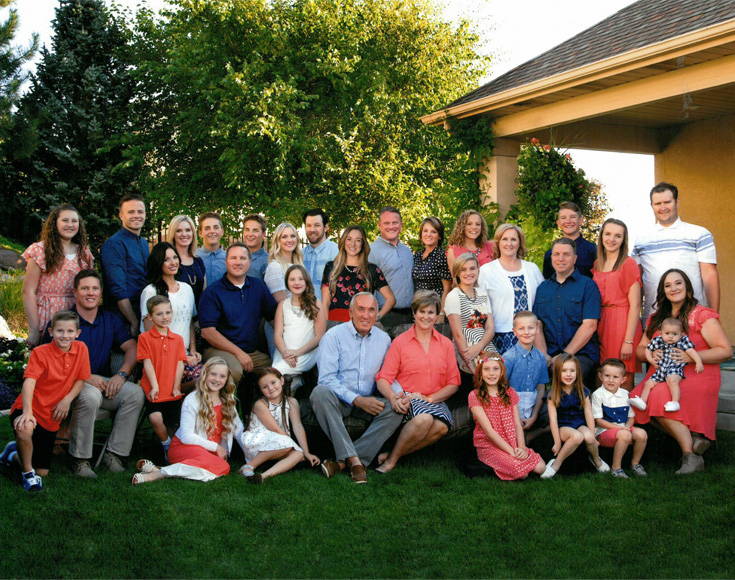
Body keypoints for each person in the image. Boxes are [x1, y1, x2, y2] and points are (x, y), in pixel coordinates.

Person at [630, 269, 730, 474]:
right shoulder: (657, 318)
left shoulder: (702, 315)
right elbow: (640, 349)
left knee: (657, 397)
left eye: (678, 283)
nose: (673, 288)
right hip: (663, 373)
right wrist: (650, 355)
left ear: (688, 288)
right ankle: (693, 441)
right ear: (662, 291)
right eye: (668, 285)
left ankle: (689, 457)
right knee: (636, 398)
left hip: (698, 373)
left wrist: (691, 357)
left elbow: (725, 350)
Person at [310, 292, 403, 484]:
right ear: (350, 312)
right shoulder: (333, 336)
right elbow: (326, 379)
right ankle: (355, 461)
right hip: (340, 400)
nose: (366, 315)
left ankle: (342, 463)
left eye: (371, 310)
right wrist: (356, 400)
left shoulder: (384, 339)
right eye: (361, 309)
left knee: (396, 409)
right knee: (319, 393)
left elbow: (387, 375)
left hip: (370, 400)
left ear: (377, 313)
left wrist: (398, 395)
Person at [62, 270, 144, 478]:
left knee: (135, 393)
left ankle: (114, 454)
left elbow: (132, 347)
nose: (90, 293)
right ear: (75, 292)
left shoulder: (110, 319)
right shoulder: (64, 322)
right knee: (90, 394)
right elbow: (54, 361)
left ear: (101, 293)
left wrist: (121, 375)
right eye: (85, 288)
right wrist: (85, 377)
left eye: (95, 288)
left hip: (104, 382)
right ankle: (80, 460)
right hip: (71, 387)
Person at [373, 291, 460, 473]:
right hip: (408, 399)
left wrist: (430, 399)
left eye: (430, 312)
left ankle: (391, 455)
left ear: (437, 316)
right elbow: (383, 378)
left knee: (442, 426)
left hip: (434, 400)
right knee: (424, 419)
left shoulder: (445, 344)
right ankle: (391, 462)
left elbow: (453, 382)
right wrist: (393, 398)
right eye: (422, 312)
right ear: (414, 313)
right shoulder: (400, 342)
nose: (426, 317)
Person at [7, 311, 90, 491]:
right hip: (30, 406)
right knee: (25, 428)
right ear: (51, 332)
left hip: (50, 415)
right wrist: (27, 412)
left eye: (70, 331)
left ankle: (13, 453)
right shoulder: (40, 352)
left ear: (77, 333)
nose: (65, 336)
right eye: (60, 331)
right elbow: (29, 381)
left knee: (43, 470)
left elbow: (81, 379)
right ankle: (28, 475)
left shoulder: (81, 349)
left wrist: (67, 400)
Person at [131, 358, 244, 484]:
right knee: (223, 467)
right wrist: (216, 446)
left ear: (227, 379)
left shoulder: (228, 401)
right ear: (205, 374)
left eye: (222, 376)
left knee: (220, 466)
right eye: (213, 374)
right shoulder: (192, 399)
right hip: (185, 447)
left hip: (211, 454)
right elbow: (186, 436)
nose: (217, 379)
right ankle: (158, 475)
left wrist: (252, 461)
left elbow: (239, 431)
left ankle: (159, 469)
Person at [632, 182, 719, 320]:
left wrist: (713, 316)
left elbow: (709, 275)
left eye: (667, 202)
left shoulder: (699, 234)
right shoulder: (641, 240)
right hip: (655, 318)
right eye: (658, 203)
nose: (663, 207)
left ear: (677, 202)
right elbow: (637, 282)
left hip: (693, 317)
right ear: (651, 206)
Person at [199, 243, 277, 383]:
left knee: (276, 372)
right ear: (226, 261)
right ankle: (225, 405)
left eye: (242, 258)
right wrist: (238, 353)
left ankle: (258, 405)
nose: (238, 262)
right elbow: (208, 332)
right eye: (233, 258)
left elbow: (273, 318)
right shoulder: (213, 292)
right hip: (219, 350)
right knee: (233, 371)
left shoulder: (258, 286)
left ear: (249, 262)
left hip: (251, 352)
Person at [22, 204, 94, 346]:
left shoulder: (84, 253)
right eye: (65, 220)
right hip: (47, 313)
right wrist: (34, 329)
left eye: (74, 221)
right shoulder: (40, 250)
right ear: (55, 223)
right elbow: (28, 292)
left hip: (75, 313)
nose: (70, 225)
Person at [533, 238, 601, 387]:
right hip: (549, 354)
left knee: (568, 377)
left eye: (566, 254)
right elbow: (537, 324)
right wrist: (544, 355)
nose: (561, 258)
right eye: (556, 254)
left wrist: (564, 356)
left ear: (575, 258)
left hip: (580, 355)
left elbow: (589, 326)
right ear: (551, 258)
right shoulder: (542, 288)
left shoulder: (588, 286)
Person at [468, 353, 546, 480]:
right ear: (480, 373)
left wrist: (521, 447)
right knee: (522, 472)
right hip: (490, 444)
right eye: (486, 369)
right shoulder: (475, 395)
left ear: (502, 371)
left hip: (512, 441)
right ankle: (496, 464)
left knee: (541, 468)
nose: (491, 373)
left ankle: (514, 460)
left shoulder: (510, 393)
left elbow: (517, 424)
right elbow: (489, 431)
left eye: (495, 369)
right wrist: (511, 452)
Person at [239, 367, 319, 484]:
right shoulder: (260, 404)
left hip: (278, 442)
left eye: (273, 382)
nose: (271, 388)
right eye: (265, 387)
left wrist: (306, 452)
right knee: (288, 445)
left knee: (298, 454)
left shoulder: (291, 402)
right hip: (257, 441)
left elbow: (298, 426)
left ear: (281, 381)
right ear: (261, 390)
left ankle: (262, 476)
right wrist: (292, 445)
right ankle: (248, 466)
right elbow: (274, 428)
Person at [139, 242, 201, 385]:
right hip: (163, 357)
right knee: (202, 379)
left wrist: (192, 350)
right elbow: (150, 334)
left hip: (185, 355)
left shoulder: (186, 289)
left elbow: (189, 322)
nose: (172, 262)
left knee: (214, 374)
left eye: (175, 257)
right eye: (166, 259)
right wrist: (181, 357)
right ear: (158, 263)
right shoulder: (151, 291)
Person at [592, 218, 643, 386]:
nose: (611, 239)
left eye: (617, 236)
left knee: (622, 379)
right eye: (607, 234)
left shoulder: (628, 263)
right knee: (603, 377)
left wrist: (628, 341)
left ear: (623, 240)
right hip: (601, 323)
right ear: (601, 236)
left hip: (622, 324)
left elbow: (635, 305)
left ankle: (625, 412)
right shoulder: (597, 263)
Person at [478, 223, 544, 353]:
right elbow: (479, 308)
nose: (509, 243)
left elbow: (543, 301)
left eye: (513, 239)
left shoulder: (532, 269)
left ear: (519, 243)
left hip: (531, 335)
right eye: (505, 239)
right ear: (498, 242)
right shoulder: (487, 271)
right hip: (501, 336)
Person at [137, 295, 188, 460]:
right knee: (155, 417)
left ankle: (175, 449)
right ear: (150, 317)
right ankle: (166, 444)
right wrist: (155, 386)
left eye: (168, 312)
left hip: (172, 389)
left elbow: (180, 364)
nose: (165, 317)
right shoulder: (144, 338)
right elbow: (148, 363)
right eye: (159, 314)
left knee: (175, 422)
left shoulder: (178, 339)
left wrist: (176, 386)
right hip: (155, 389)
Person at [542, 354, 609, 479]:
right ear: (557, 373)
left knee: (588, 437)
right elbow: (553, 420)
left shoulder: (583, 391)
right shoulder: (553, 394)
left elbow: (588, 413)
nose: (569, 374)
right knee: (577, 437)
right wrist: (557, 442)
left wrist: (593, 433)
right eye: (564, 371)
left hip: (579, 423)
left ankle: (596, 459)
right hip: (563, 425)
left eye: (572, 371)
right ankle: (556, 463)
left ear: (577, 372)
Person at [322, 225, 394, 323]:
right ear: (344, 241)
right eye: (349, 239)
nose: (353, 244)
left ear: (363, 244)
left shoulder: (371, 270)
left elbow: (391, 299)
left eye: (358, 240)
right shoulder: (331, 267)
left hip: (361, 326)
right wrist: (326, 325)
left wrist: (375, 317)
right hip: (335, 323)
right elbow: (325, 302)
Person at [100, 194, 149, 336]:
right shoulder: (114, 244)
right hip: (122, 318)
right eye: (131, 212)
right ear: (121, 215)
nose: (136, 215)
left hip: (143, 313)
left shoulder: (144, 243)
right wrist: (134, 321)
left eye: (140, 211)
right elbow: (118, 289)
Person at [632, 317, 704, 413]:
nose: (671, 336)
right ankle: (642, 401)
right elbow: (647, 349)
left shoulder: (682, 341)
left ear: (681, 334)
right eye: (667, 333)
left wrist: (698, 362)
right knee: (648, 383)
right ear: (661, 333)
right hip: (661, 370)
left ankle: (675, 402)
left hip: (674, 368)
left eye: (674, 334)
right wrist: (651, 361)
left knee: (673, 381)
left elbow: (691, 351)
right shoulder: (658, 340)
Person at [591, 358, 648, 479]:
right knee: (624, 435)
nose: (611, 380)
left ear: (623, 379)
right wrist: (620, 428)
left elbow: (631, 417)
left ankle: (635, 464)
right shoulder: (597, 394)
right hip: (604, 431)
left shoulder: (625, 394)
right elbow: (598, 420)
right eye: (607, 376)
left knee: (642, 434)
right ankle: (616, 468)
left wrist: (627, 427)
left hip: (623, 428)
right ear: (600, 376)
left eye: (615, 377)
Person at [444, 253, 496, 376]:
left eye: (472, 268)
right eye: (463, 269)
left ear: (478, 270)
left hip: (486, 349)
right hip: (466, 354)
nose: (468, 273)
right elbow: (457, 334)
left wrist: (480, 346)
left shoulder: (482, 293)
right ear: (457, 273)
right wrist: (470, 362)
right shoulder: (454, 296)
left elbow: (490, 328)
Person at [272, 265, 326, 381]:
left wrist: (297, 352)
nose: (297, 283)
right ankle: (294, 383)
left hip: (306, 352)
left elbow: (319, 336)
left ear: (306, 281)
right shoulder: (283, 304)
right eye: (292, 279)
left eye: (300, 279)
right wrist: (285, 352)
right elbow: (277, 334)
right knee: (275, 371)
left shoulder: (315, 304)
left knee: (275, 374)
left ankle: (293, 384)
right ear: (287, 283)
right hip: (284, 351)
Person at [502, 312, 548, 435]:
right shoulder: (509, 358)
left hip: (533, 407)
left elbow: (541, 386)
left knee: (551, 409)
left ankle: (532, 438)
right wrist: (517, 416)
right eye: (521, 328)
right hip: (511, 407)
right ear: (514, 331)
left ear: (537, 329)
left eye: (530, 327)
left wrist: (534, 415)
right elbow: (502, 388)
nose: (526, 332)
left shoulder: (540, 358)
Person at [368, 207, 414, 329]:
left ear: (401, 225)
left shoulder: (407, 251)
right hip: (385, 317)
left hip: (410, 315)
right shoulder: (372, 251)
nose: (391, 226)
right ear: (379, 226)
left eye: (395, 223)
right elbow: (367, 287)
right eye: (386, 223)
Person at [542, 201, 596, 278]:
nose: (568, 221)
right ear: (558, 223)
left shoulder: (593, 250)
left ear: (580, 220)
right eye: (563, 218)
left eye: (573, 217)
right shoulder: (550, 254)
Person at [411, 217, 451, 313]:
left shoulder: (441, 255)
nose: (428, 234)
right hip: (418, 308)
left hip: (434, 308)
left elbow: (447, 288)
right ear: (421, 234)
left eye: (433, 232)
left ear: (439, 236)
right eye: (425, 231)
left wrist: (441, 313)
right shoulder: (417, 255)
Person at [166, 214, 206, 305]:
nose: (184, 234)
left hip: (198, 317)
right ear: (173, 234)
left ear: (193, 233)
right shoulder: (168, 262)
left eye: (188, 230)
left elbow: (204, 291)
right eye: (179, 231)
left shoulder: (198, 261)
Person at [302, 208, 338, 301]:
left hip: (329, 312)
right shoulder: (300, 255)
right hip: (303, 312)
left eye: (317, 225)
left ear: (326, 227)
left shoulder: (337, 253)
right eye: (308, 225)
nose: (312, 229)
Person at [264, 222, 304, 303]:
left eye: (293, 236)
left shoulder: (299, 264)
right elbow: (282, 303)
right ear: (278, 241)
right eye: (284, 237)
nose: (289, 240)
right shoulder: (275, 267)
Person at [196, 212, 227, 286]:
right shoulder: (194, 257)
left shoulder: (229, 258)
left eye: (216, 227)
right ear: (200, 233)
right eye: (207, 228)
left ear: (222, 231)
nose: (212, 231)